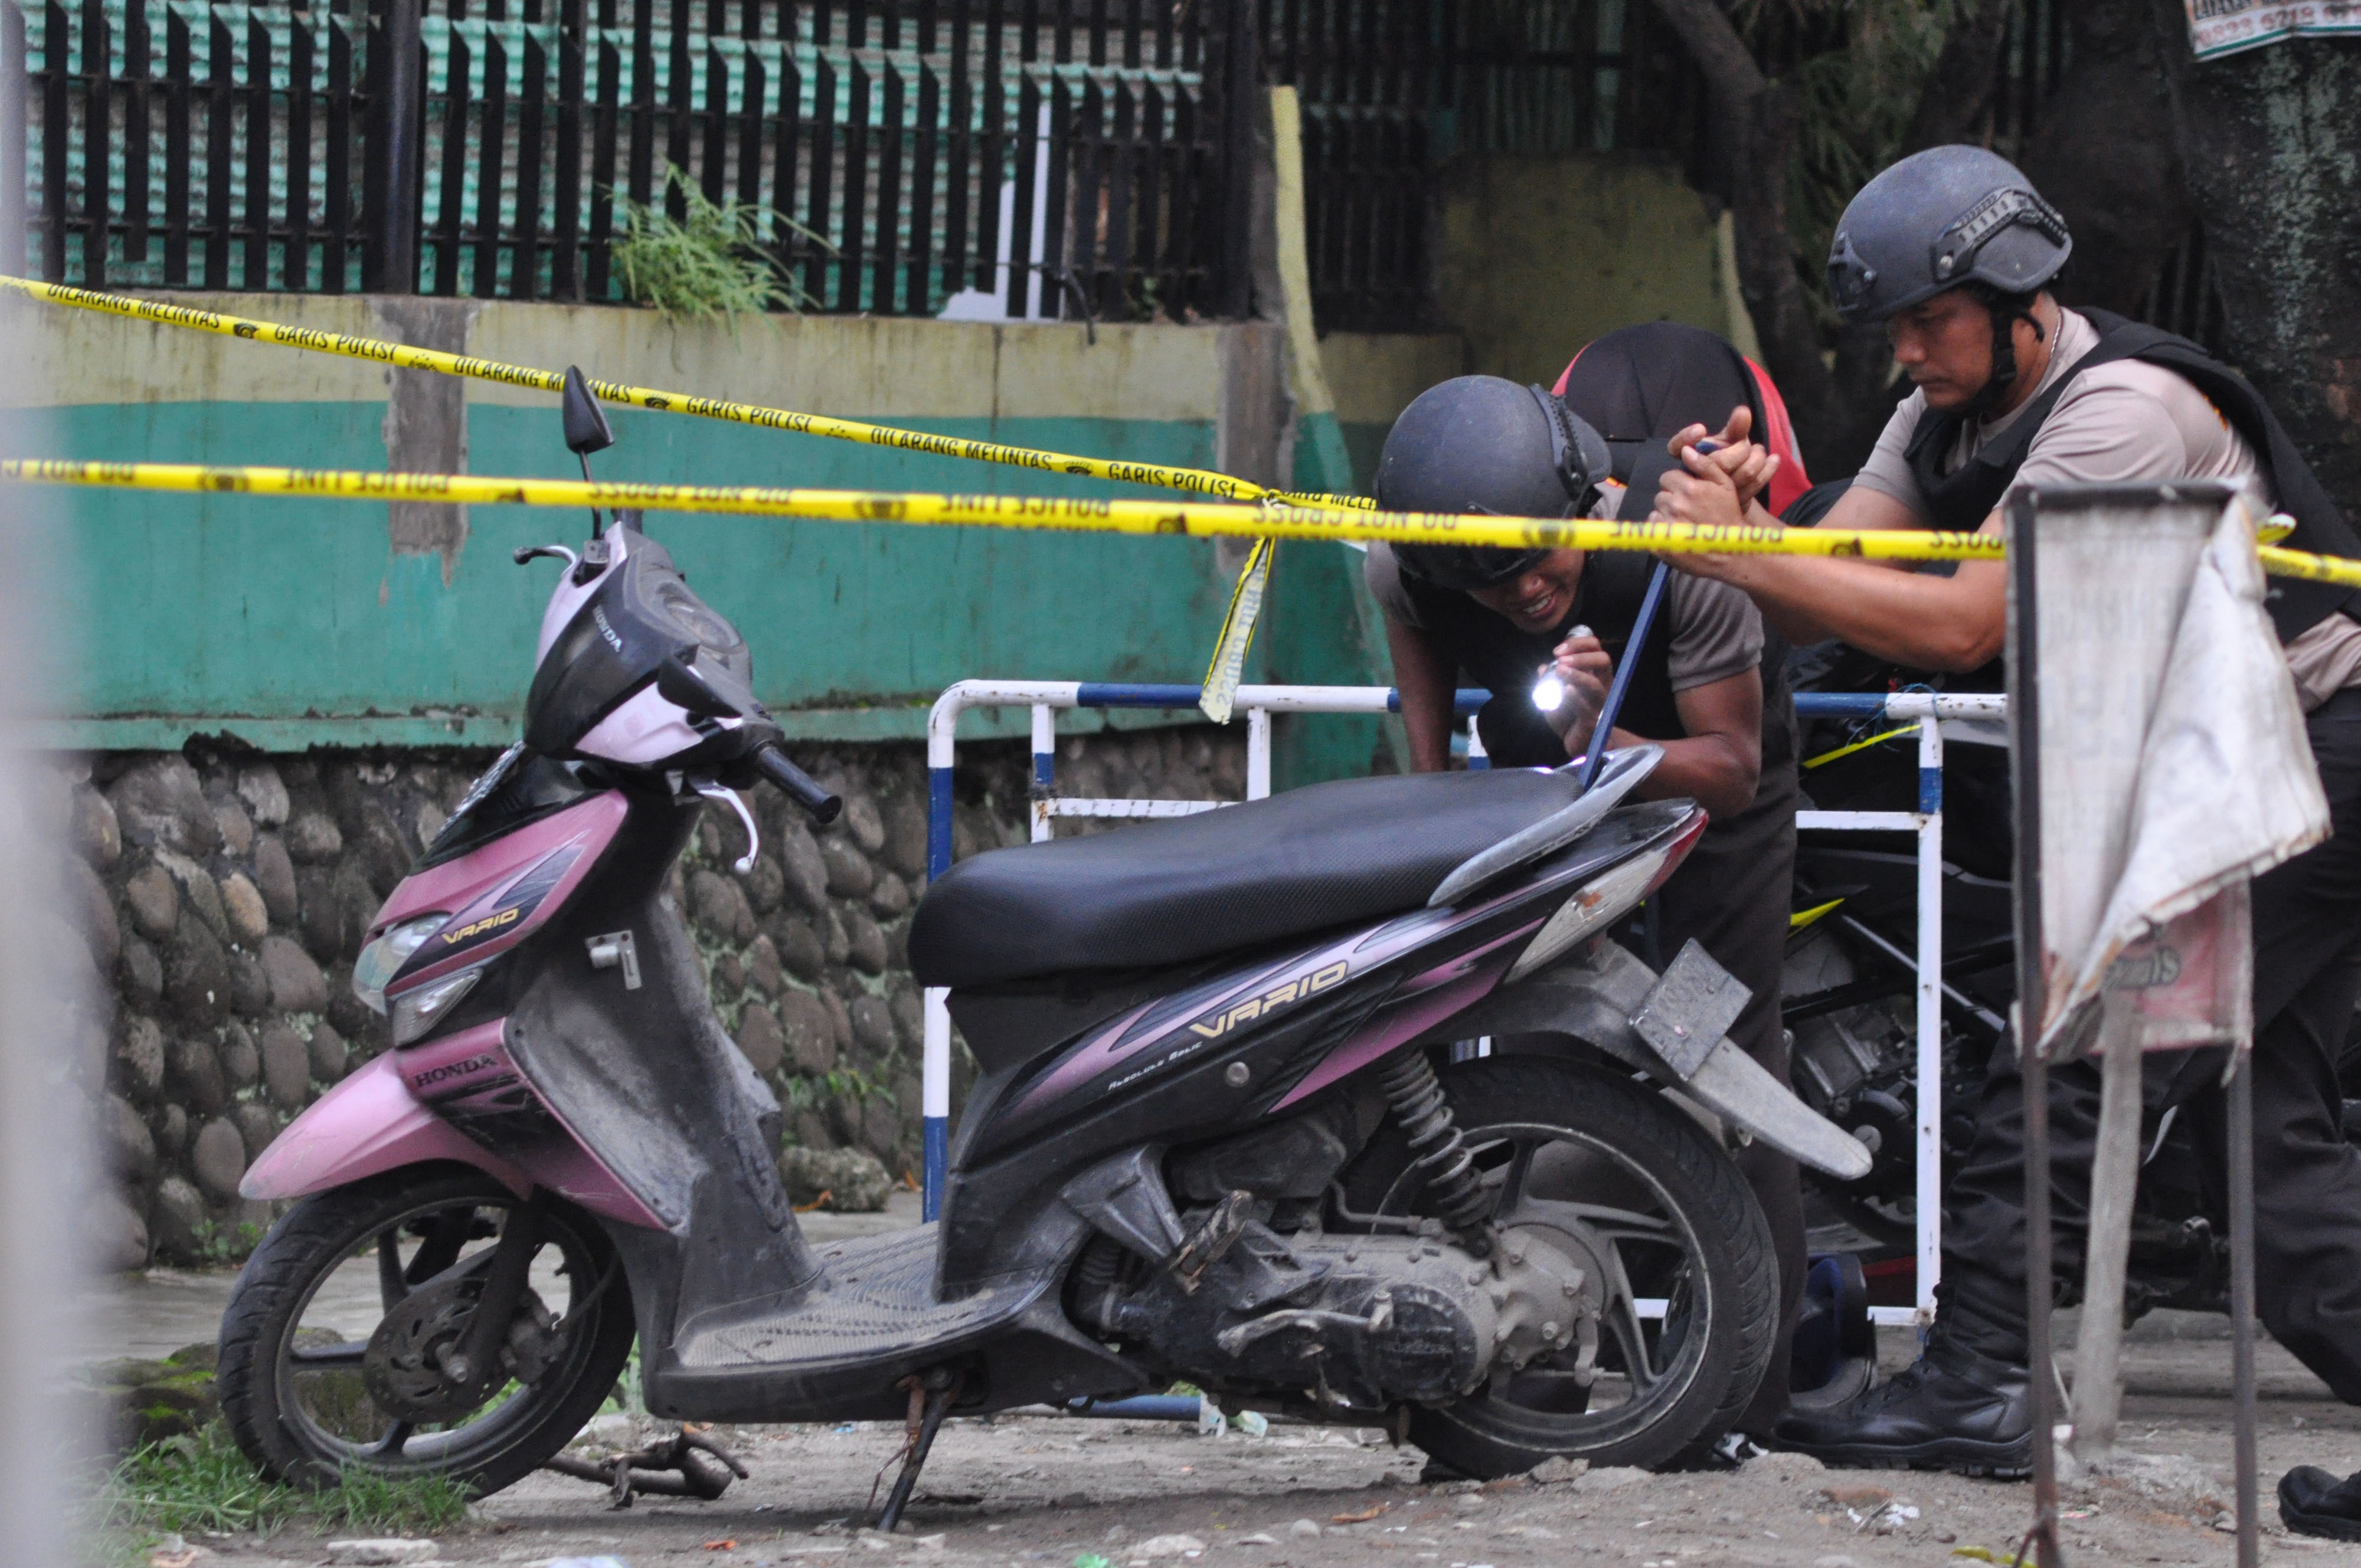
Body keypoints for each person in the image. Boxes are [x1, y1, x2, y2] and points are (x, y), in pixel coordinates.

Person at [1649, 144, 2361, 1503]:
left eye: (1930, 320)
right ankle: (1983, 1376)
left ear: (2018, 295)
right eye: (1895, 328)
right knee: (2253, 1157)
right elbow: (1846, 567)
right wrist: (1756, 523)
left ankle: (1980, 1379)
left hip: (2314, 759)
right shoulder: (1936, 418)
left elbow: (1971, 623)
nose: (1907, 352)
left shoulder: (2127, 410)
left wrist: (1741, 554)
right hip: (2215, 775)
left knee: (2070, 1052)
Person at [1363, 322, 1811, 1441]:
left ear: (1586, 504)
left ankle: (1750, 1404)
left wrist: (1607, 763)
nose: (1522, 592)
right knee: (1539, 1064)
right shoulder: (1411, 559)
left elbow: (1734, 769)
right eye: (1489, 578)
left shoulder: (1676, 546)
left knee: (1727, 1065)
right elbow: (1419, 652)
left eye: (1540, 562)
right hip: (1555, 781)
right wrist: (1435, 799)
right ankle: (1531, 1386)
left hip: (1708, 776)